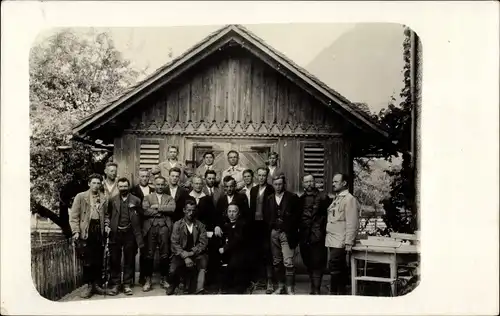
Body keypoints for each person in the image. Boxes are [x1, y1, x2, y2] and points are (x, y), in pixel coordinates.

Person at [69, 174, 109, 299]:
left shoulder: (104, 198)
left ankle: (97, 285)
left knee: (98, 258)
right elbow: (74, 216)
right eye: (94, 183)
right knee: (87, 259)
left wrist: (107, 225)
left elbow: (107, 215)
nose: (96, 185)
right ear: (89, 184)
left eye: (98, 183)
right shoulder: (81, 197)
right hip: (86, 230)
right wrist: (76, 231)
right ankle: (89, 286)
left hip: (99, 230)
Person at [105, 177, 144, 296]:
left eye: (125, 186)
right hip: (116, 233)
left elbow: (141, 217)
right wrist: (107, 225)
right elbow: (108, 215)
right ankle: (116, 284)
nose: (123, 189)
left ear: (129, 187)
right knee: (115, 259)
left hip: (130, 233)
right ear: (118, 187)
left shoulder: (136, 200)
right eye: (121, 186)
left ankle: (127, 284)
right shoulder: (112, 200)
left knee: (129, 258)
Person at [298, 174, 333, 295]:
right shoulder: (301, 199)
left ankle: (317, 290)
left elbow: (330, 216)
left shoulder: (323, 197)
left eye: (311, 181)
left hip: (318, 235)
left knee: (318, 262)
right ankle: (313, 287)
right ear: (303, 184)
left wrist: (323, 230)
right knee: (308, 261)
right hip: (304, 235)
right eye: (306, 182)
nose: (309, 184)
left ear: (315, 183)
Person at [141, 176, 176, 292]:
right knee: (149, 254)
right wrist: (162, 212)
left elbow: (172, 208)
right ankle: (148, 280)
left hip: (165, 228)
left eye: (162, 184)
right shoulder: (147, 197)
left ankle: (164, 279)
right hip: (151, 227)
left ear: (165, 185)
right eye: (158, 184)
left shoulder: (169, 197)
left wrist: (157, 207)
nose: (160, 187)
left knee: (165, 253)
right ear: (154, 185)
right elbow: (145, 210)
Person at [166, 199, 209, 295]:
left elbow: (203, 243)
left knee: (203, 262)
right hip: (180, 254)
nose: (191, 213)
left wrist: (191, 253)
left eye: (193, 210)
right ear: (184, 210)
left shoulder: (200, 225)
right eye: (188, 210)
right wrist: (185, 256)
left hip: (196, 254)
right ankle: (174, 284)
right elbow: (174, 243)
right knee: (172, 271)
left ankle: (199, 288)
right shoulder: (177, 224)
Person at [326, 173, 359, 295]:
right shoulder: (338, 198)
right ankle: (338, 294)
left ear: (344, 183)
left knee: (336, 268)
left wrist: (349, 242)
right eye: (333, 181)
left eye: (336, 182)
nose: (333, 184)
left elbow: (352, 222)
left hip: (341, 240)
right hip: (333, 240)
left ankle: (335, 294)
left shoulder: (349, 199)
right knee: (336, 268)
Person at [267, 174, 300, 295]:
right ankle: (280, 286)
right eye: (275, 184)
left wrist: (287, 225)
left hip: (287, 233)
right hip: (274, 233)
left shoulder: (292, 197)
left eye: (280, 184)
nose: (278, 186)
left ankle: (290, 288)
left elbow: (297, 217)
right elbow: (267, 216)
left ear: (284, 184)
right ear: (273, 185)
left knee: (288, 261)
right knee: (276, 262)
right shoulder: (269, 198)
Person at [188, 175, 221, 288]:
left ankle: (208, 281)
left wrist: (216, 226)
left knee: (211, 248)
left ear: (203, 185)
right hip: (189, 230)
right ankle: (189, 281)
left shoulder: (207, 198)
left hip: (204, 230)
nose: (198, 186)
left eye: (200, 184)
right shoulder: (186, 197)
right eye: (196, 183)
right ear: (192, 184)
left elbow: (213, 215)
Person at [249, 167, 275, 294]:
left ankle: (270, 280)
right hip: (255, 226)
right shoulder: (254, 190)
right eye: (259, 175)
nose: (261, 178)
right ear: (256, 176)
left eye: (263, 175)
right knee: (257, 252)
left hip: (266, 225)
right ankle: (261, 280)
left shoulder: (271, 189)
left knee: (268, 252)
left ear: (267, 176)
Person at [219, 203, 252, 294]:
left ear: (238, 213)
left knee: (235, 262)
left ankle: (239, 287)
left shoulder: (242, 224)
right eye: (229, 211)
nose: (231, 214)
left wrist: (225, 248)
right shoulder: (226, 224)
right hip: (229, 253)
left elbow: (238, 240)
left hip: (240, 253)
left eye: (234, 211)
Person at [129, 168, 155, 285]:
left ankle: (144, 277)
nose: (144, 178)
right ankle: (130, 279)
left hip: (149, 224)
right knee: (132, 251)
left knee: (146, 252)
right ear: (138, 177)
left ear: (149, 177)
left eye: (146, 176)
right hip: (135, 224)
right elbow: (133, 207)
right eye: (142, 176)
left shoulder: (153, 190)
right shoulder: (132, 191)